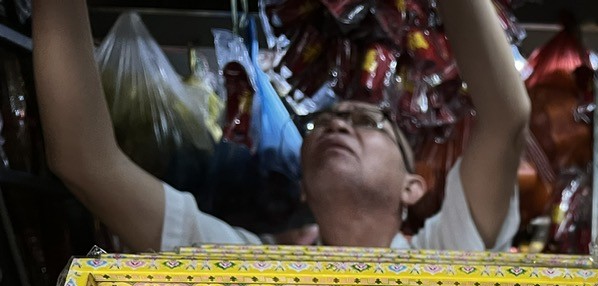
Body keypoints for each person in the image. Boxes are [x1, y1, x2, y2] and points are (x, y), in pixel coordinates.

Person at [32, 0, 530, 252]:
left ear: (412, 186)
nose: (336, 124)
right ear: (303, 190)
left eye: (367, 121)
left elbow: (506, 117)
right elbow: (85, 160)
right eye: (324, 121)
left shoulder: (446, 254)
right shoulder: (242, 265)